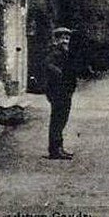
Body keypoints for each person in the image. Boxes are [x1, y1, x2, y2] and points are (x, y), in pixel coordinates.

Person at [45, 27, 79, 160]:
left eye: (67, 38)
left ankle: (58, 148)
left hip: (64, 90)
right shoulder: (55, 52)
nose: (65, 41)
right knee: (58, 120)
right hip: (58, 90)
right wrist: (61, 75)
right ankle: (55, 150)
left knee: (61, 119)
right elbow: (48, 65)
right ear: (57, 39)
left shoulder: (65, 52)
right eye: (62, 38)